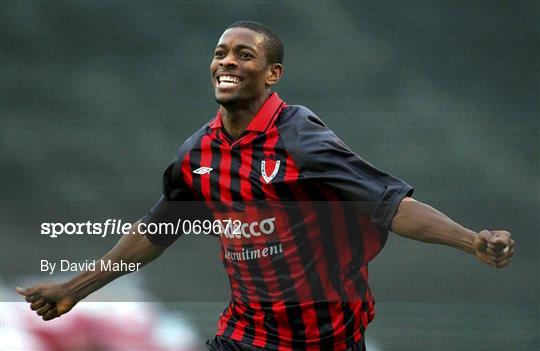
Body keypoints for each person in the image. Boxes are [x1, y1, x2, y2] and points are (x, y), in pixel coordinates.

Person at [17, 21, 515, 351]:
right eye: (220, 54)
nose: (227, 62)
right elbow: (155, 232)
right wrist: (73, 290)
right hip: (244, 336)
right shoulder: (197, 155)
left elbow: (391, 205)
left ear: (272, 74)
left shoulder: (303, 142)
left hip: (328, 339)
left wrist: (470, 240)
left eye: (243, 54)